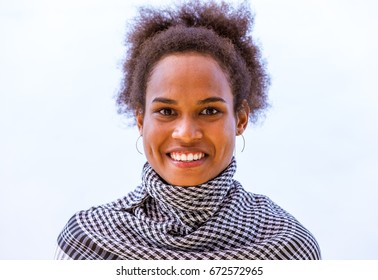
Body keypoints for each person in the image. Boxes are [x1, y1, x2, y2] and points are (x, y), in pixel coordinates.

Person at [55, 0, 321, 260]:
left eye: (209, 111)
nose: (186, 133)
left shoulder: (287, 248)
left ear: (240, 119)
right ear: (140, 120)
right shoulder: (88, 242)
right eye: (166, 112)